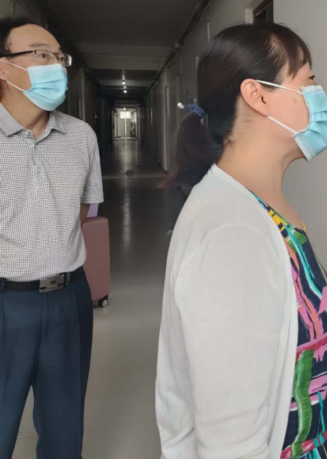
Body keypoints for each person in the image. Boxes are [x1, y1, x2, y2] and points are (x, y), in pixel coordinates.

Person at [156, 23, 327, 459]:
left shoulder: (262, 202)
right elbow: (230, 441)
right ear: (257, 95)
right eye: (309, 80)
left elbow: (281, 291)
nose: (319, 96)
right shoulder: (232, 234)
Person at [0, 17, 104, 459]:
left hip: (69, 298)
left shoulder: (80, 136)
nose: (55, 66)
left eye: (59, 57)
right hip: (6, 301)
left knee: (64, 433)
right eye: (41, 54)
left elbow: (80, 213)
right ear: (4, 67)